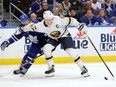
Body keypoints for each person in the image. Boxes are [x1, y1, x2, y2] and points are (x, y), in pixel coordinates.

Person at [35, 10, 90, 77]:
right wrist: (21, 29)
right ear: (44, 19)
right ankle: (51, 68)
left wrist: (79, 25)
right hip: (53, 38)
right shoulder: (40, 25)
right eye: (47, 19)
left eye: (51, 19)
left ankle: (83, 68)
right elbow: (31, 27)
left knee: (70, 51)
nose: (50, 21)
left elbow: (71, 20)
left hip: (64, 35)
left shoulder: (58, 19)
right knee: (46, 48)